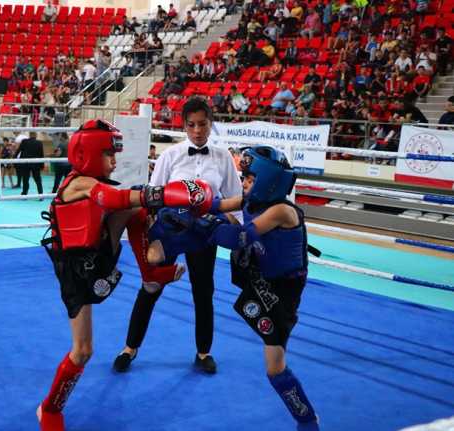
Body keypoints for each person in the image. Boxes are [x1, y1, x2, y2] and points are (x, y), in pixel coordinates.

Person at [37, 119, 213, 430]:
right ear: (87, 154)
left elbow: (124, 202)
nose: (115, 161)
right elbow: (113, 199)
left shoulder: (92, 182)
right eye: (109, 154)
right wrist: (162, 193)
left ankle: (152, 274)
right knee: (83, 351)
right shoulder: (79, 183)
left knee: (137, 209)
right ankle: (49, 409)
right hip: (75, 271)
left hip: (97, 258)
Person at [148, 146, 320, 431]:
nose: (244, 184)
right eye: (245, 178)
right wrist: (183, 204)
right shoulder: (249, 201)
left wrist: (199, 222)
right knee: (193, 231)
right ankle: (160, 251)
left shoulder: (280, 210)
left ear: (268, 180)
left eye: (250, 179)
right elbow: (215, 205)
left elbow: (240, 236)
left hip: (282, 291)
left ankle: (308, 421)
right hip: (262, 280)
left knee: (275, 368)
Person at [113, 97, 242, 374]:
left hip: (204, 233)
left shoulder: (223, 158)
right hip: (169, 231)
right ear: (184, 126)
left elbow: (235, 199)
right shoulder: (170, 156)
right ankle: (129, 347)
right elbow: (153, 194)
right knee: (151, 286)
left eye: (203, 124)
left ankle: (203, 352)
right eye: (192, 125)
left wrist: (226, 226)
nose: (197, 130)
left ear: (211, 124)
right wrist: (151, 228)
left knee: (203, 291)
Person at [16, 131, 44, 196]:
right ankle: (41, 194)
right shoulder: (39, 143)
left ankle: (24, 193)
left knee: (25, 179)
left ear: (30, 135)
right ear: (36, 135)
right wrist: (42, 165)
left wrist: (14, 159)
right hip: (35, 164)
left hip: (26, 163)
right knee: (38, 180)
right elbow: (41, 155)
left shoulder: (24, 141)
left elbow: (19, 150)